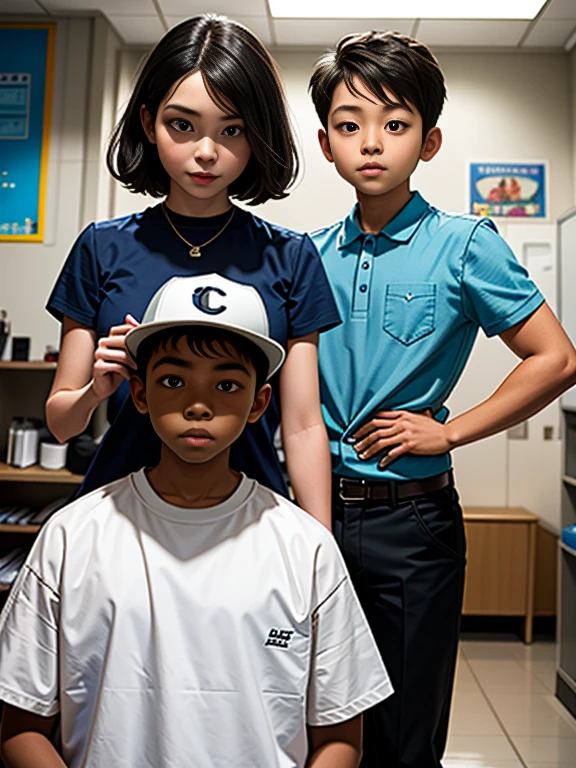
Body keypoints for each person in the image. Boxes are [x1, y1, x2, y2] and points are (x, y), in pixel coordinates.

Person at [308, 30, 576, 768]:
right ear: (325, 143)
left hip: (411, 526)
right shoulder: (306, 255)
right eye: (349, 124)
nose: (371, 143)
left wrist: (448, 433)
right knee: (317, 725)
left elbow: (554, 358)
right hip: (311, 516)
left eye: (395, 125)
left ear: (428, 141)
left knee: (403, 733)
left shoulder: (465, 243)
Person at [0, 274, 392, 768]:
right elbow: (21, 726)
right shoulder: (72, 534)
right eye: (172, 380)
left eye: (227, 384)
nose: (199, 404)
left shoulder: (305, 547)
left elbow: (340, 736)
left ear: (259, 403)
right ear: (139, 394)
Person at [45, 14, 340, 528]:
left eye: (232, 130)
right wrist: (97, 387)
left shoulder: (291, 257)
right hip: (119, 516)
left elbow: (301, 424)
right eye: (182, 125)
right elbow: (62, 423)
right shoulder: (101, 247)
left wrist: (318, 549)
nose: (206, 153)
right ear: (147, 122)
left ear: (257, 136)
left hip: (251, 517)